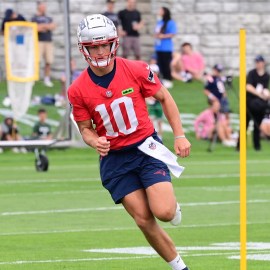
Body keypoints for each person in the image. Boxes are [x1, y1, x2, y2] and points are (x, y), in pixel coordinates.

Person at [68, 14, 191, 270]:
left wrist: (179, 135)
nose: (100, 51)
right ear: (84, 48)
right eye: (94, 46)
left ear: (113, 43)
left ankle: (172, 204)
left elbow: (165, 97)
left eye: (104, 44)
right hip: (114, 159)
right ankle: (180, 267)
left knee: (165, 212)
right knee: (144, 220)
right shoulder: (77, 89)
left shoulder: (135, 69)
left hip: (145, 148)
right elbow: (84, 128)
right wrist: (95, 141)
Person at [244, 55, 270, 150]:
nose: (257, 64)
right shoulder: (252, 73)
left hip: (259, 105)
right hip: (249, 102)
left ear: (263, 63)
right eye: (256, 62)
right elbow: (248, 87)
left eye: (259, 62)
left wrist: (266, 94)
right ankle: (240, 146)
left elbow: (265, 88)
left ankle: (257, 146)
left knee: (257, 126)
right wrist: (260, 94)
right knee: (244, 125)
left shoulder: (266, 76)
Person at [32, 1, 56, 88]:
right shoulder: (34, 18)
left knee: (48, 61)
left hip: (48, 41)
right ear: (39, 7)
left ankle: (46, 79)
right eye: (42, 7)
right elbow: (35, 28)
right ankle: (34, 79)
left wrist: (42, 26)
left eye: (44, 6)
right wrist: (46, 26)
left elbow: (53, 26)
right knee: (36, 61)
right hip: (38, 42)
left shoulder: (49, 18)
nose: (44, 8)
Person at [154, 7, 177, 89]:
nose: (159, 11)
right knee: (160, 64)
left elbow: (173, 33)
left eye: (161, 10)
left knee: (166, 64)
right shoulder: (160, 22)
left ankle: (168, 79)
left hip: (166, 47)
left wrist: (163, 36)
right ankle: (162, 79)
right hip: (159, 47)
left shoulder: (170, 22)